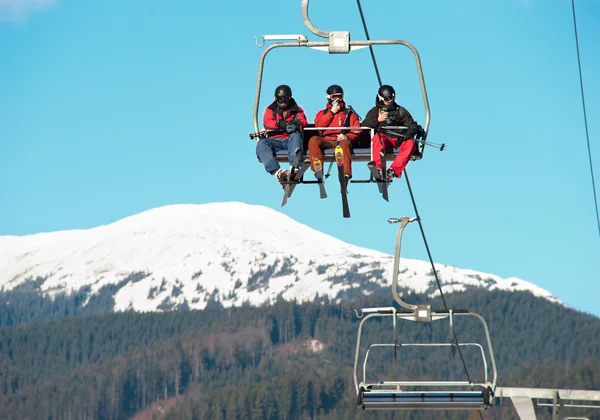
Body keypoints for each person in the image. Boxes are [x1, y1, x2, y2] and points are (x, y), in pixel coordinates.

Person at [362, 84, 420, 181]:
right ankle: (378, 167)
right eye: (387, 99)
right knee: (377, 137)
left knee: (410, 144)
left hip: (399, 139)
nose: (390, 101)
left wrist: (407, 134)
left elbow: (412, 125)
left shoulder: (401, 111)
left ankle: (392, 171)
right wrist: (378, 120)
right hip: (384, 138)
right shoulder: (375, 111)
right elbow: (364, 125)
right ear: (381, 99)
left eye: (392, 98)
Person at [307, 84, 361, 180]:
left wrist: (346, 136)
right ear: (329, 97)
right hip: (326, 140)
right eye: (334, 97)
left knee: (344, 144)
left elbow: (356, 130)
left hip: (341, 140)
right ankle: (318, 168)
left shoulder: (348, 113)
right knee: (313, 140)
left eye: (339, 97)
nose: (337, 100)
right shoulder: (322, 113)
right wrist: (331, 113)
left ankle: (345, 174)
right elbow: (319, 125)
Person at [256, 84, 308, 183]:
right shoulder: (271, 109)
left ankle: (295, 167)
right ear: (276, 98)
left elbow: (303, 121)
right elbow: (267, 122)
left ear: (289, 98)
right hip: (275, 139)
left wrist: (296, 125)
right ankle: (278, 172)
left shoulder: (296, 109)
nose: (283, 101)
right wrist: (279, 124)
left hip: (290, 140)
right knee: (261, 144)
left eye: (285, 98)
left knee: (296, 135)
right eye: (280, 99)